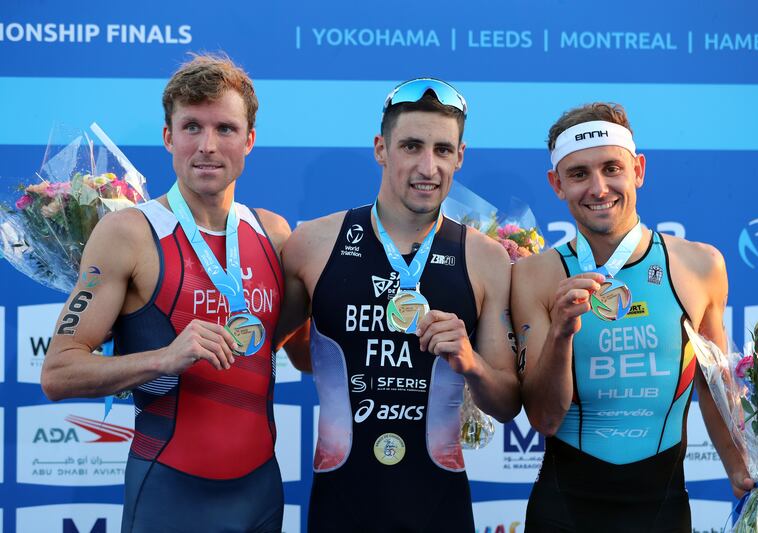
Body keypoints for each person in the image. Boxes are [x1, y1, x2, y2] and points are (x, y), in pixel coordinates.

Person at [41, 54, 293, 533]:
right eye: (191, 127)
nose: (207, 146)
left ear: (250, 140)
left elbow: (294, 344)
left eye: (225, 129)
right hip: (169, 492)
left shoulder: (273, 233)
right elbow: (58, 372)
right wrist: (163, 358)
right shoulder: (128, 234)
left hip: (262, 495)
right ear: (168, 137)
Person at [511, 102, 758, 532]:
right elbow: (544, 419)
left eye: (612, 168)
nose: (599, 188)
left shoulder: (700, 266)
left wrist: (741, 467)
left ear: (638, 170)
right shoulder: (533, 276)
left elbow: (714, 386)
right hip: (563, 511)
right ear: (556, 184)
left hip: (662, 511)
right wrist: (562, 333)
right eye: (579, 174)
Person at [275, 78, 521, 532]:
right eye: (411, 146)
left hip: (439, 506)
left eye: (443, 150)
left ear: (460, 156)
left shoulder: (487, 258)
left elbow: (506, 404)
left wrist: (471, 363)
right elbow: (267, 345)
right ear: (380, 149)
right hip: (341, 505)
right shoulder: (314, 242)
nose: (428, 166)